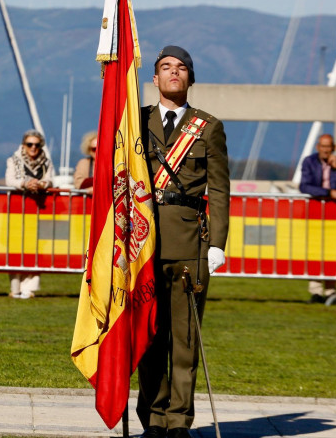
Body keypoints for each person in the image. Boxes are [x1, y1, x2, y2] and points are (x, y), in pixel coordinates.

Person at [136, 45, 229, 438]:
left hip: (191, 243)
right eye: (165, 68)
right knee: (149, 337)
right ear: (154, 79)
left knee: (185, 339)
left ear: (191, 78)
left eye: (182, 68)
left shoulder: (208, 127)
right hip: (144, 244)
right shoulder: (134, 122)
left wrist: (218, 244)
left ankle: (178, 423)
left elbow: (220, 190)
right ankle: (153, 420)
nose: (174, 73)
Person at [298, 133, 336, 303]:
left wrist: (335, 169)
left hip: (334, 214)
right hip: (314, 213)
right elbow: (305, 186)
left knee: (331, 251)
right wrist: (328, 193)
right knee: (314, 251)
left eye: (328, 147)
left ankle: (331, 292)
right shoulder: (309, 162)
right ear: (317, 147)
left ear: (333, 148)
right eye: (323, 146)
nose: (326, 150)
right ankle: (316, 291)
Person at [4, 129, 53, 299]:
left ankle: (30, 287)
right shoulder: (13, 160)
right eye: (30, 144)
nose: (33, 148)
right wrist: (25, 183)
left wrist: (41, 185)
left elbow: (50, 179)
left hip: (39, 209)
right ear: (23, 145)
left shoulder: (47, 162)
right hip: (17, 209)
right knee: (16, 247)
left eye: (37, 145)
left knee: (37, 247)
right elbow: (9, 180)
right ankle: (15, 286)